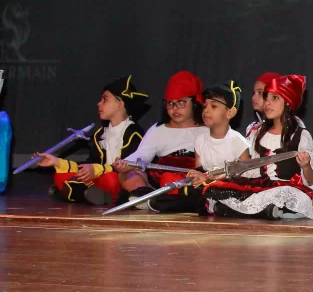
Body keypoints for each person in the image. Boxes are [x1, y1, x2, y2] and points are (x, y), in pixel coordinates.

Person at [203, 74, 313, 219]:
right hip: (261, 187)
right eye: (266, 97)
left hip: (286, 187)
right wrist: (222, 176)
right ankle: (265, 211)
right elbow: (250, 169)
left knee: (284, 193)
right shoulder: (256, 133)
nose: (267, 103)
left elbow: (311, 181)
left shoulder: (301, 136)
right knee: (218, 189)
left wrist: (306, 166)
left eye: (274, 98)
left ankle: (269, 211)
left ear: (288, 102)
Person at [37, 75, 148, 205]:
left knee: (111, 179)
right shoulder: (100, 134)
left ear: (120, 104)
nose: (99, 104)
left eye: (105, 99)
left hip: (120, 179)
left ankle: (78, 194)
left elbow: (127, 167)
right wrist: (57, 162)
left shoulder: (134, 133)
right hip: (101, 178)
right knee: (60, 176)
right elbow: (91, 165)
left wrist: (95, 169)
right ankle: (92, 195)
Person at [148, 80, 250, 213]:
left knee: (209, 193)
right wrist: (196, 176)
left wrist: (210, 179)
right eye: (205, 106)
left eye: (213, 106)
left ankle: (208, 204)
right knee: (178, 185)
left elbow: (244, 176)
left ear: (230, 113)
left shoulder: (238, 141)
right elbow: (199, 169)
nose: (206, 110)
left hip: (228, 186)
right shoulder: (200, 140)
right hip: (205, 186)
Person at [113, 71, 207, 207]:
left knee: (173, 179)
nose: (174, 108)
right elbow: (142, 154)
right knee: (128, 173)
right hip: (160, 180)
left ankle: (160, 201)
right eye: (170, 103)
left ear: (195, 102)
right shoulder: (158, 129)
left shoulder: (207, 129)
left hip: (191, 179)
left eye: (181, 102)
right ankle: (145, 197)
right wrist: (125, 164)